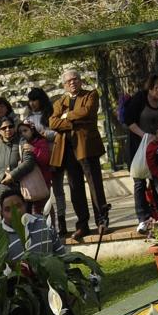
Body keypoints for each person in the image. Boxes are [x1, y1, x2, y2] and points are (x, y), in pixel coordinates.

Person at [49, 65, 108, 242]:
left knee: (95, 185)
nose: (72, 83)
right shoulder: (60, 102)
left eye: (75, 79)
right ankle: (82, 225)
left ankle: (102, 220)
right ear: (64, 85)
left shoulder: (90, 95)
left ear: (80, 81)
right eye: (68, 81)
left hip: (86, 148)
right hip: (67, 151)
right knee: (75, 189)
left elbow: (87, 112)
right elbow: (52, 122)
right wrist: (72, 122)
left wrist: (66, 117)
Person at [119, 75, 158, 235]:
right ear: (154, 88)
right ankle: (143, 217)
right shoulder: (140, 98)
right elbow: (129, 121)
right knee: (139, 182)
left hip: (157, 149)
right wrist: (145, 136)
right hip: (139, 147)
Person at [0, 116, 38, 213]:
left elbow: (29, 162)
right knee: (7, 225)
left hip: (21, 190)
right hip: (2, 192)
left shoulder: (22, 142)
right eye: (4, 128)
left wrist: (12, 176)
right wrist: (3, 176)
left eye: (10, 126)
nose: (7, 129)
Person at [16, 121, 53, 217]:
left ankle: (49, 230)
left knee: (45, 209)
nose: (23, 134)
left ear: (32, 130)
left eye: (25, 130)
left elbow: (45, 159)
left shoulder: (40, 142)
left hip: (43, 181)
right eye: (20, 132)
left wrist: (34, 150)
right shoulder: (21, 145)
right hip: (28, 183)